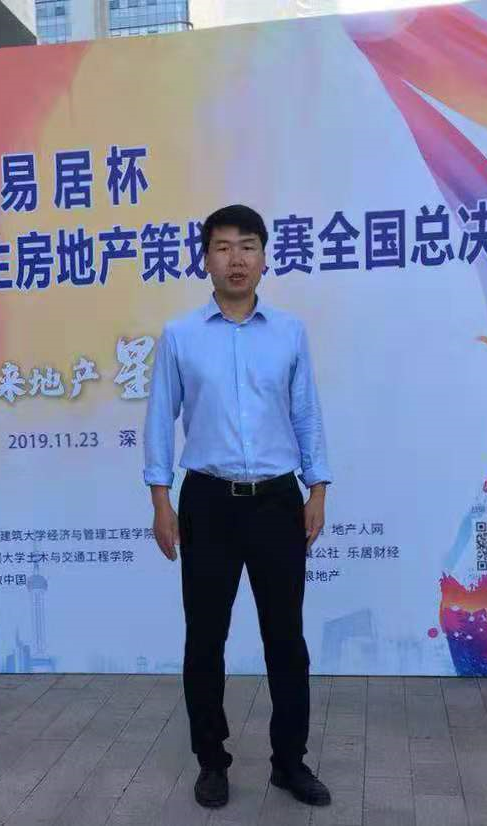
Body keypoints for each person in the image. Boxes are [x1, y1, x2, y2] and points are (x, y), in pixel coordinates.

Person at [143, 204, 332, 809]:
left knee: (286, 639)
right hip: (207, 502)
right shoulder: (181, 335)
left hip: (277, 501)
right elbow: (159, 420)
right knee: (205, 640)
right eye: (223, 247)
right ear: (205, 259)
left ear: (265, 257)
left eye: (248, 246)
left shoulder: (289, 333)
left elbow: (306, 413)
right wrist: (161, 501)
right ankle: (211, 761)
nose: (236, 259)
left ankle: (290, 762)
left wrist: (317, 488)